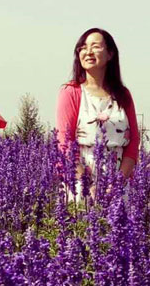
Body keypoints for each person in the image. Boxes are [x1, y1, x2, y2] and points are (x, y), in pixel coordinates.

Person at [56, 28, 140, 188]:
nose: (88, 52)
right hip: (80, 181)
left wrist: (117, 183)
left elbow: (134, 141)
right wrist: (89, 186)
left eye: (95, 46)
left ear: (110, 54)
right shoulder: (71, 92)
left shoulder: (123, 95)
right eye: (83, 48)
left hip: (117, 183)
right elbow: (64, 142)